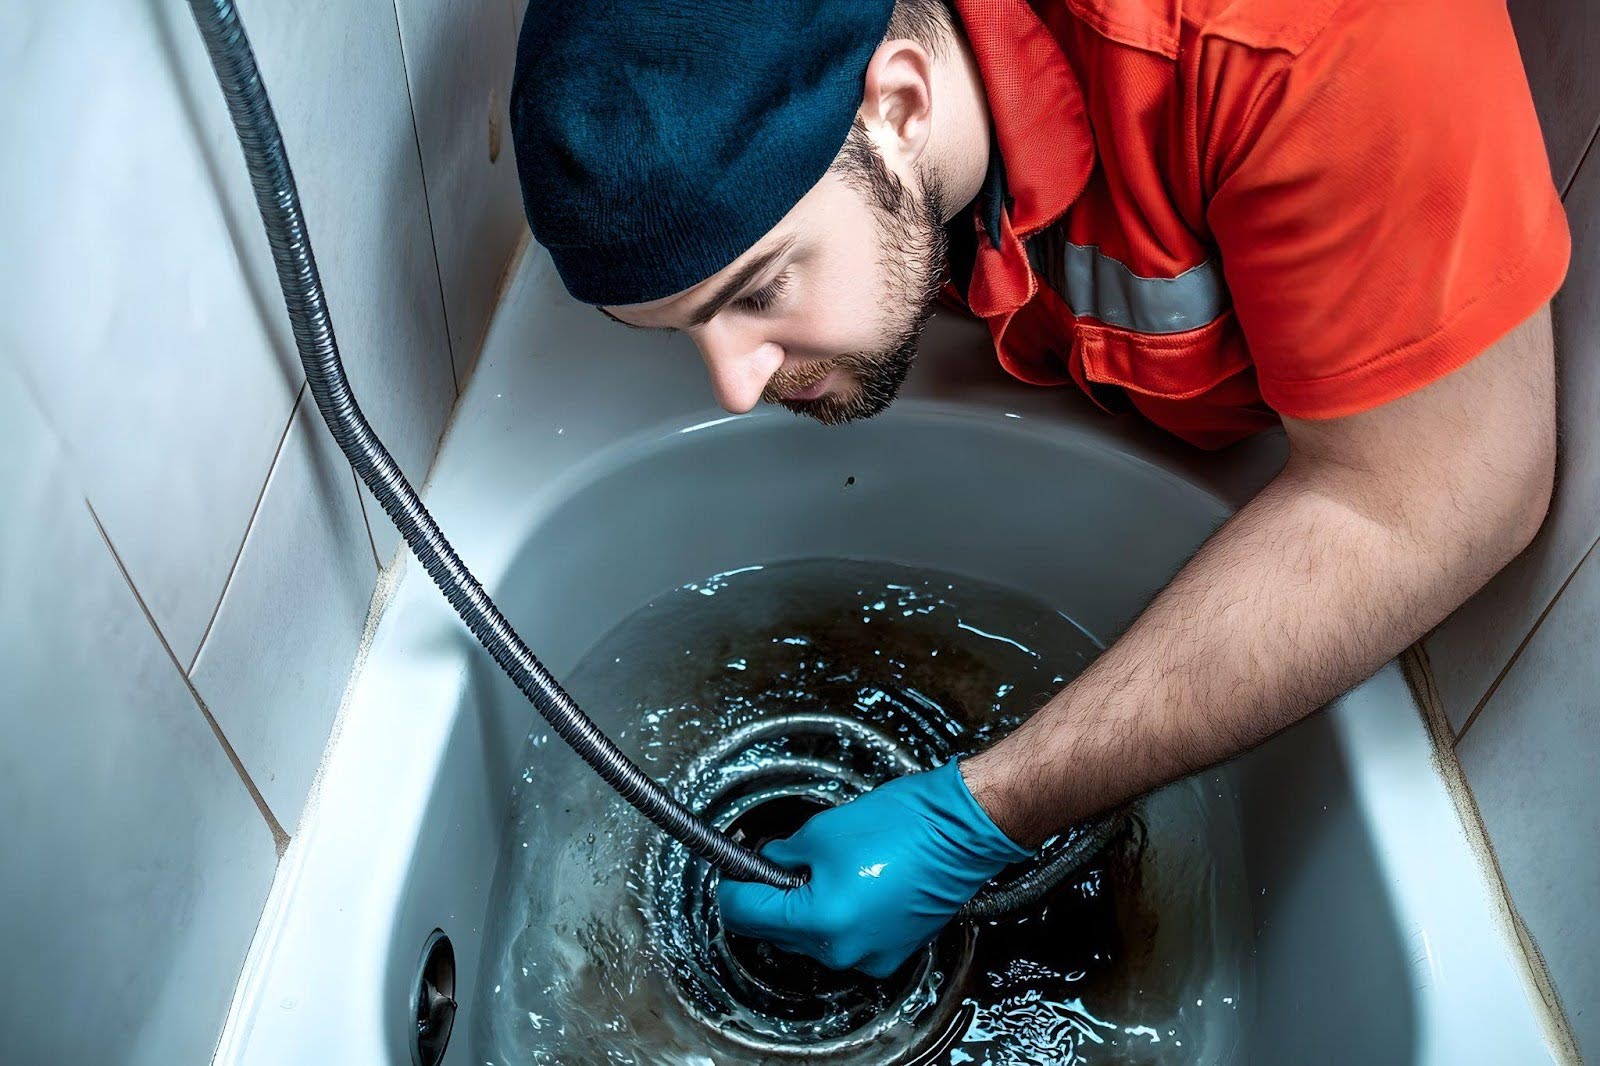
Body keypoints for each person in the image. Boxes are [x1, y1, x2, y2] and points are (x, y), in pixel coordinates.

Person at [508, 0, 1569, 979]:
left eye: (761, 289)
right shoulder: (828, 117)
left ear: (902, 102)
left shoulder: (1298, 39)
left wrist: (983, 814)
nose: (735, 390)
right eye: (686, 327)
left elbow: (1439, 492)